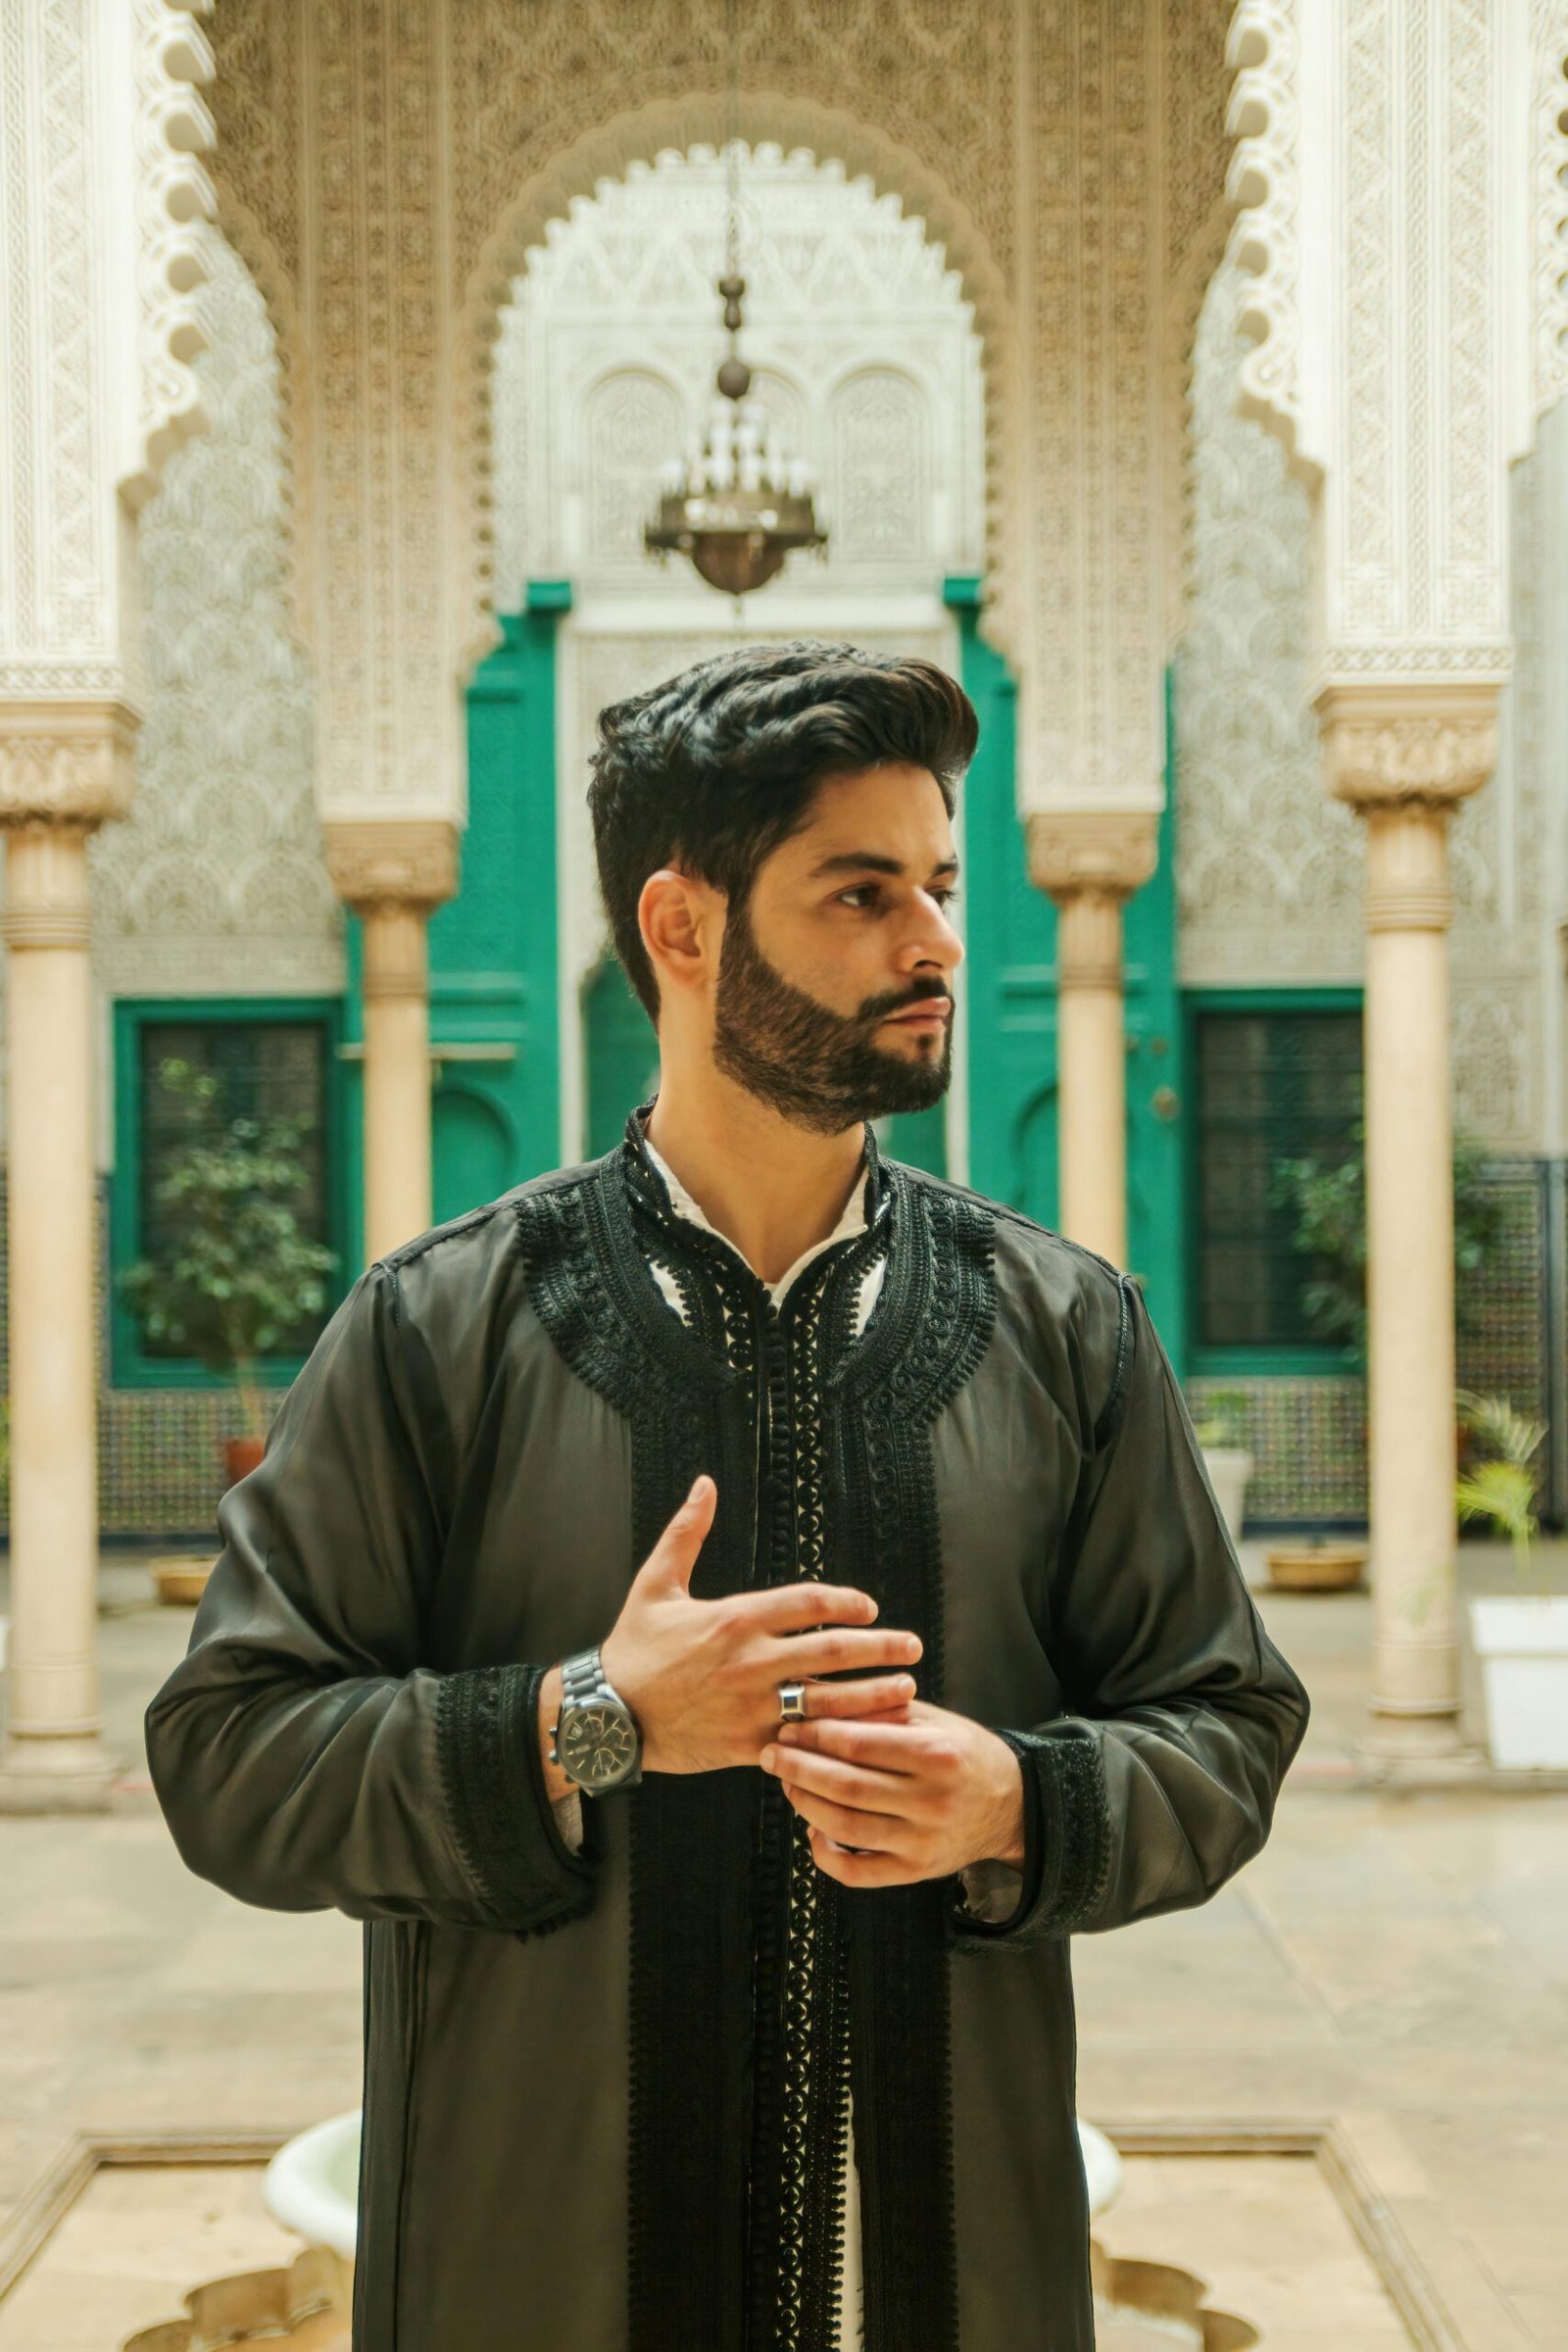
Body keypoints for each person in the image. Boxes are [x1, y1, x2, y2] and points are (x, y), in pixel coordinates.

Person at [145, 641, 1309, 2352]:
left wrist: (1015, 1804)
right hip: (536, 2275)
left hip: (942, 2269)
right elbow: (228, 1754)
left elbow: (1230, 1722)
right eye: (860, 892)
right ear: (681, 930)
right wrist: (588, 1719)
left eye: (935, 883)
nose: (934, 943)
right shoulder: (443, 1328)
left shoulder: (1058, 1325)